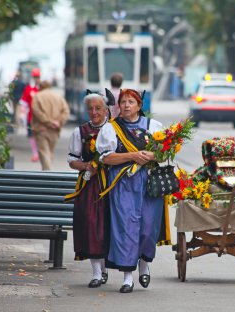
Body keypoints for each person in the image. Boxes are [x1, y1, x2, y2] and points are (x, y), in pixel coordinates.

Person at [96, 89, 164, 293]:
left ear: (139, 105)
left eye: (131, 102)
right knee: (126, 228)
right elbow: (105, 158)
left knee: (148, 228)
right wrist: (133, 156)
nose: (126, 105)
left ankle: (144, 262)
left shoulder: (154, 126)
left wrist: (150, 156)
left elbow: (163, 154)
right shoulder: (110, 128)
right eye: (123, 102)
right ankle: (127, 277)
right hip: (123, 183)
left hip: (149, 183)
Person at [66, 93, 110, 288]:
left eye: (98, 108)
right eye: (90, 109)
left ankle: (105, 266)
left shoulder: (114, 130)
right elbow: (72, 160)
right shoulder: (80, 131)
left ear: (106, 109)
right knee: (91, 225)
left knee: (109, 226)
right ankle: (96, 273)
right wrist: (85, 166)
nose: (94, 112)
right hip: (89, 186)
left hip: (111, 184)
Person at [32, 81, 70, 170]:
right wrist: (59, 122)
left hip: (41, 129)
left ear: (41, 87)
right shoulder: (58, 97)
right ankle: (48, 172)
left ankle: (47, 174)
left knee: (44, 153)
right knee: (50, 152)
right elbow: (66, 111)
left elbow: (36, 112)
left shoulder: (37, 96)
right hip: (55, 130)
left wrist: (48, 122)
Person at [20, 68, 41, 162]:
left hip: (41, 117)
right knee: (32, 135)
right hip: (31, 116)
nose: (36, 78)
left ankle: (40, 152)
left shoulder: (42, 88)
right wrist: (22, 114)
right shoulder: (29, 88)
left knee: (40, 135)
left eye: (38, 76)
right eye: (35, 76)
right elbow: (24, 103)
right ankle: (35, 153)